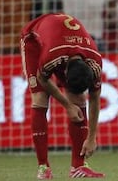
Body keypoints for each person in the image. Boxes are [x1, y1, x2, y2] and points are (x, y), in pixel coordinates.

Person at [20, 13, 105, 179]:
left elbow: (94, 98)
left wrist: (92, 137)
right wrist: (67, 105)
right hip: (34, 40)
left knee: (79, 99)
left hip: (64, 43)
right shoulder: (51, 57)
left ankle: (78, 166)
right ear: (64, 73)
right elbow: (42, 79)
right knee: (40, 98)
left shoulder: (95, 63)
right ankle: (43, 167)